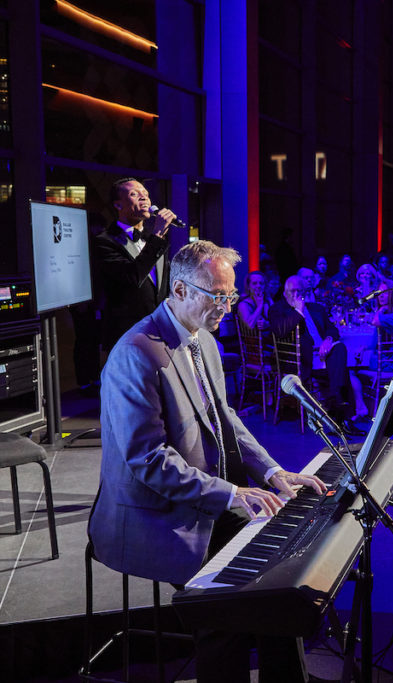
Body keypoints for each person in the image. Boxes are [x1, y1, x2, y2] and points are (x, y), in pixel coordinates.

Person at [88, 241, 328, 682]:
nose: (227, 307)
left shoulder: (205, 342)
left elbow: (226, 418)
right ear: (179, 290)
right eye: (217, 296)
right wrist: (234, 492)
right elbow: (148, 460)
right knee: (224, 608)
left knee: (279, 582)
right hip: (157, 515)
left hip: (208, 500)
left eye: (231, 296)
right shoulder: (135, 354)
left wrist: (271, 471)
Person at [269, 275, 366, 433]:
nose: (296, 295)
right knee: (343, 370)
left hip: (322, 353)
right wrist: (298, 311)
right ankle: (342, 416)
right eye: (293, 291)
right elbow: (280, 331)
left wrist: (328, 339)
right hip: (300, 358)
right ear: (285, 293)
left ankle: (337, 408)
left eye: (300, 291)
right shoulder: (277, 309)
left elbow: (332, 329)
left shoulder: (316, 308)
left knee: (340, 349)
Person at [92, 177, 176, 352]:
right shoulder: (104, 241)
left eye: (145, 194)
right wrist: (158, 235)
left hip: (159, 330)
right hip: (126, 334)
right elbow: (132, 276)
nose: (143, 197)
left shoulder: (154, 239)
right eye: (134, 194)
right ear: (118, 205)